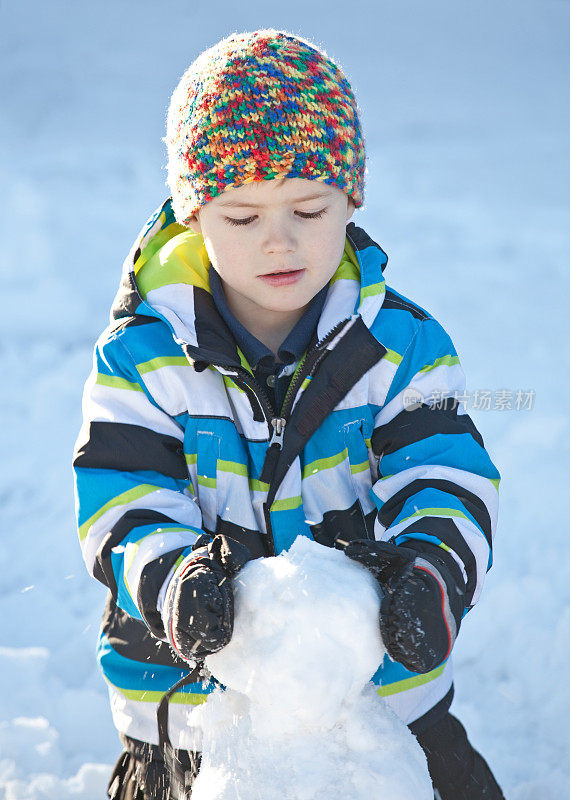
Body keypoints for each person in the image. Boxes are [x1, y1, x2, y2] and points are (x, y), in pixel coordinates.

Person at [73, 29, 505, 799]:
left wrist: (430, 573)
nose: (280, 241)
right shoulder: (142, 360)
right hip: (188, 716)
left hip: (377, 701)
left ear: (353, 198)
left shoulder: (399, 347)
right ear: (193, 215)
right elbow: (121, 496)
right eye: (242, 217)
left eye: (309, 207)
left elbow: (446, 475)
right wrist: (173, 578)